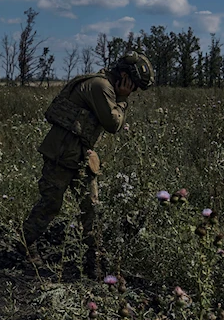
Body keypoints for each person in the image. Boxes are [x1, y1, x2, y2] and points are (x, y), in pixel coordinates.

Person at [19, 51, 155, 279]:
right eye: (135, 86)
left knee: (91, 209)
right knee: (50, 204)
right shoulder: (100, 86)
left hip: (81, 156)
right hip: (61, 155)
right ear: (125, 76)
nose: (135, 91)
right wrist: (122, 100)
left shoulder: (105, 86)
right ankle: (25, 244)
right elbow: (113, 123)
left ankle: (95, 260)